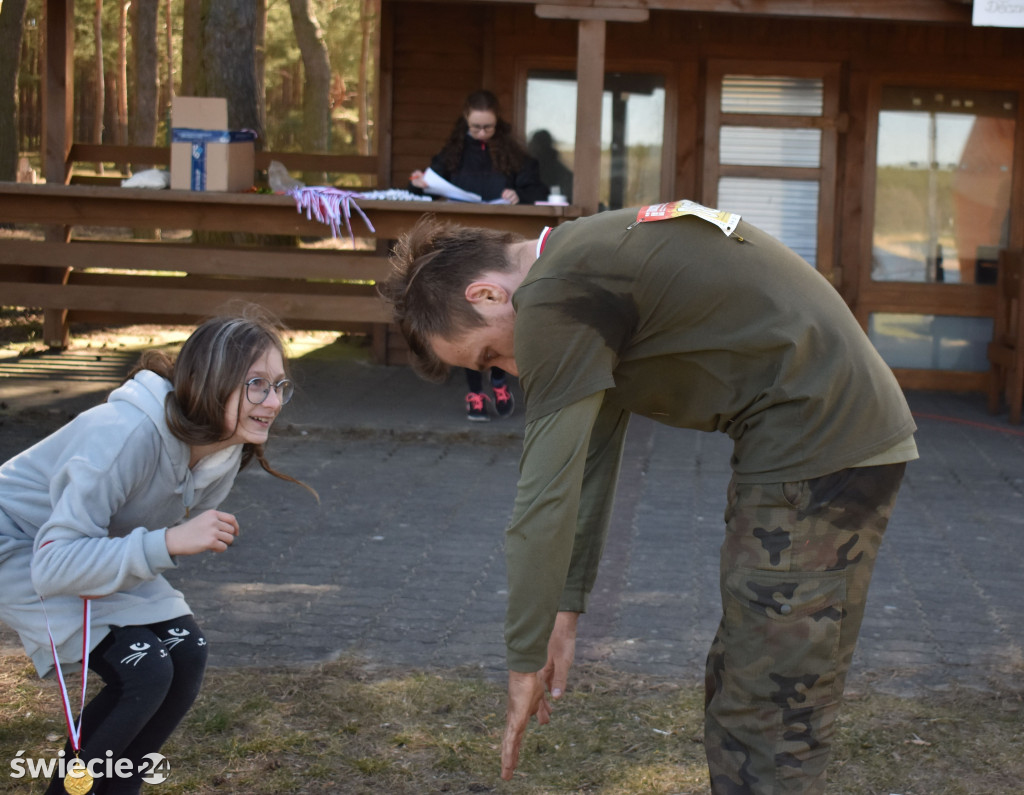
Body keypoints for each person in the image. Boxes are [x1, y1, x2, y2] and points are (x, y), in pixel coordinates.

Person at [379, 200, 918, 794]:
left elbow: (542, 501)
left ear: (486, 295)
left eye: (491, 357)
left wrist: (522, 660)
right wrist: (563, 612)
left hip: (819, 441)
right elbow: (589, 464)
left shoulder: (555, 293)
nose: (509, 372)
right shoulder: (580, 259)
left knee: (768, 701)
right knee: (754, 674)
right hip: (811, 440)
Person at [0, 309, 313, 794]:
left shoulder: (224, 447)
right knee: (144, 672)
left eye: (279, 386)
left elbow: (122, 541)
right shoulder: (122, 433)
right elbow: (54, 566)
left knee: (187, 655)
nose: (272, 402)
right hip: (19, 544)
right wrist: (167, 543)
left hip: (92, 545)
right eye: (256, 384)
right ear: (210, 382)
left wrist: (157, 545)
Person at [409, 89, 547, 421]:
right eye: (476, 128)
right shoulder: (453, 153)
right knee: (465, 320)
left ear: (497, 124)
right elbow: (430, 183)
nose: (482, 133)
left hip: (499, 243)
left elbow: (537, 188)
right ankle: (474, 390)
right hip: (463, 245)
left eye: (488, 127)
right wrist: (419, 184)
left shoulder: (512, 154)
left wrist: (519, 194)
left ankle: (499, 381)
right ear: (466, 123)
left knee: (497, 314)